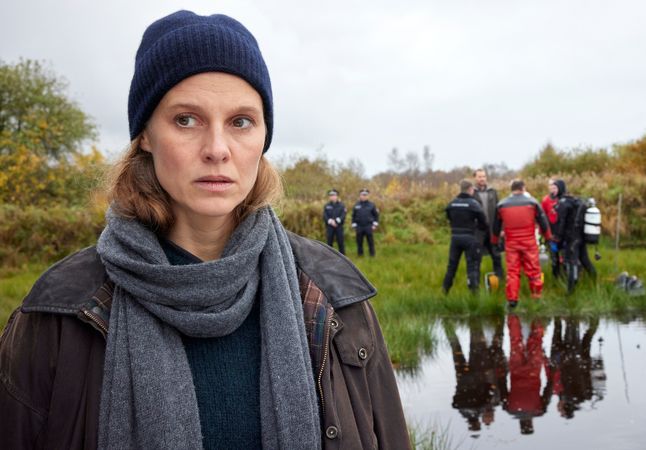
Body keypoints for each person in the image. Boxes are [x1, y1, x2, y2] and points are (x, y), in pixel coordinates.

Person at [0, 11, 410, 450]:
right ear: (145, 136)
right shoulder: (57, 313)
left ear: (263, 136)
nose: (217, 149)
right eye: (186, 120)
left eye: (241, 122)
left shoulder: (333, 296)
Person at [494, 180, 552, 308]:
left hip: (511, 243)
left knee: (512, 272)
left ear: (512, 189)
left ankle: (512, 300)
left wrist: (494, 241)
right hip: (529, 243)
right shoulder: (532, 202)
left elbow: (496, 226)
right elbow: (543, 221)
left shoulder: (502, 204)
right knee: (533, 271)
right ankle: (536, 297)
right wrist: (548, 237)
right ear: (523, 188)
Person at [552, 179, 597, 293]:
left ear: (561, 189)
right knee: (585, 260)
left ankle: (570, 292)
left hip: (571, 239)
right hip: (581, 237)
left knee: (571, 262)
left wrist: (557, 238)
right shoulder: (574, 201)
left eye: (555, 188)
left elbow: (561, 223)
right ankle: (595, 284)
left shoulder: (563, 203)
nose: (553, 190)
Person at [443, 179, 487, 294]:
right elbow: (483, 221)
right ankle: (474, 295)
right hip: (470, 238)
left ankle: (444, 291)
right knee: (472, 267)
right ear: (470, 189)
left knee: (451, 266)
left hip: (455, 238)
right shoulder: (474, 204)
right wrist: (479, 228)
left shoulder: (452, 203)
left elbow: (448, 216)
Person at [473, 168, 505, 280]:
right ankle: (475, 281)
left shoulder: (493, 191)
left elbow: (500, 211)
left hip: (492, 229)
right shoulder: (471, 192)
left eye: (484, 176)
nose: (482, 179)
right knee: (476, 257)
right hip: (478, 230)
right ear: (475, 178)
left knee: (496, 255)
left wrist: (501, 228)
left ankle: (500, 279)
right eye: (480, 176)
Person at [541, 179, 562, 278]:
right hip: (551, 231)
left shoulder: (562, 199)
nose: (553, 189)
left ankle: (565, 273)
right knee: (554, 254)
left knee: (564, 254)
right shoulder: (545, 200)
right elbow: (542, 216)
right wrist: (543, 233)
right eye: (551, 186)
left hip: (562, 230)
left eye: (555, 187)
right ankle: (556, 276)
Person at [351, 188, 379, 257]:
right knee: (359, 242)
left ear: (367, 196)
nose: (363, 196)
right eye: (362, 195)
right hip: (359, 226)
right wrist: (354, 225)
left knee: (370, 242)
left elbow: (376, 215)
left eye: (365, 195)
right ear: (360, 196)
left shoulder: (371, 205)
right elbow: (353, 216)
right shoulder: (356, 205)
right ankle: (360, 255)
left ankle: (372, 255)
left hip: (368, 226)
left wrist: (375, 225)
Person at [323, 188, 346, 254]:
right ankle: (329, 255)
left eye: (334, 195)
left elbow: (343, 215)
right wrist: (330, 221)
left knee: (340, 241)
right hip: (330, 226)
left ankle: (342, 255)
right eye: (330, 195)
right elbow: (325, 215)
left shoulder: (341, 205)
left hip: (339, 226)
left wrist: (336, 221)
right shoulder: (327, 205)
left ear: (337, 196)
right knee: (329, 241)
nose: (332, 197)